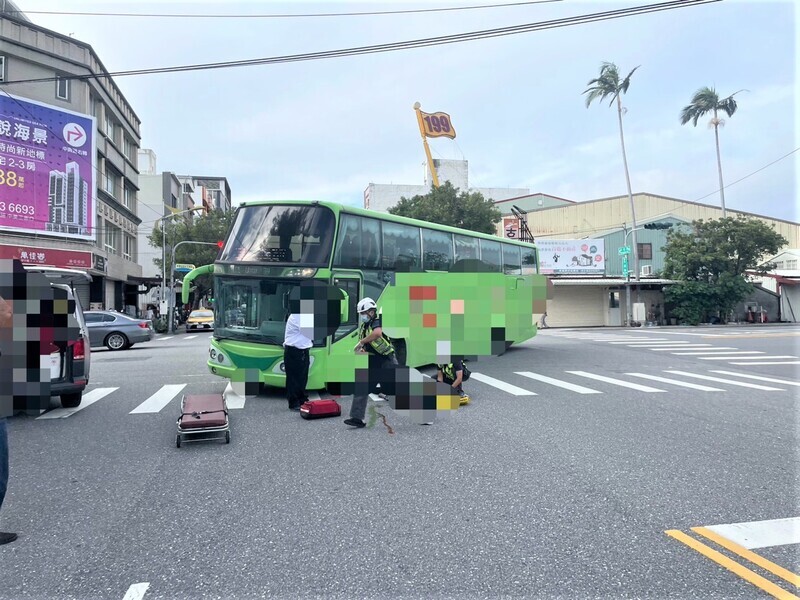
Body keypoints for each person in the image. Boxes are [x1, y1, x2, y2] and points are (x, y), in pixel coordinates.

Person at [344, 297, 397, 428]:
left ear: (371, 312)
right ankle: (357, 418)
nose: (362, 316)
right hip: (373, 361)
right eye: (361, 314)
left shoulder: (377, 321)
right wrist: (362, 349)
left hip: (386, 360)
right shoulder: (365, 326)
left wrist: (362, 342)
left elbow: (378, 334)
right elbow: (369, 344)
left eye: (363, 313)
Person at [283, 308, 313, 412]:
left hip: (303, 350)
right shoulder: (297, 315)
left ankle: (302, 399)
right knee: (293, 378)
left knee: (302, 377)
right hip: (294, 350)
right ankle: (293, 402)